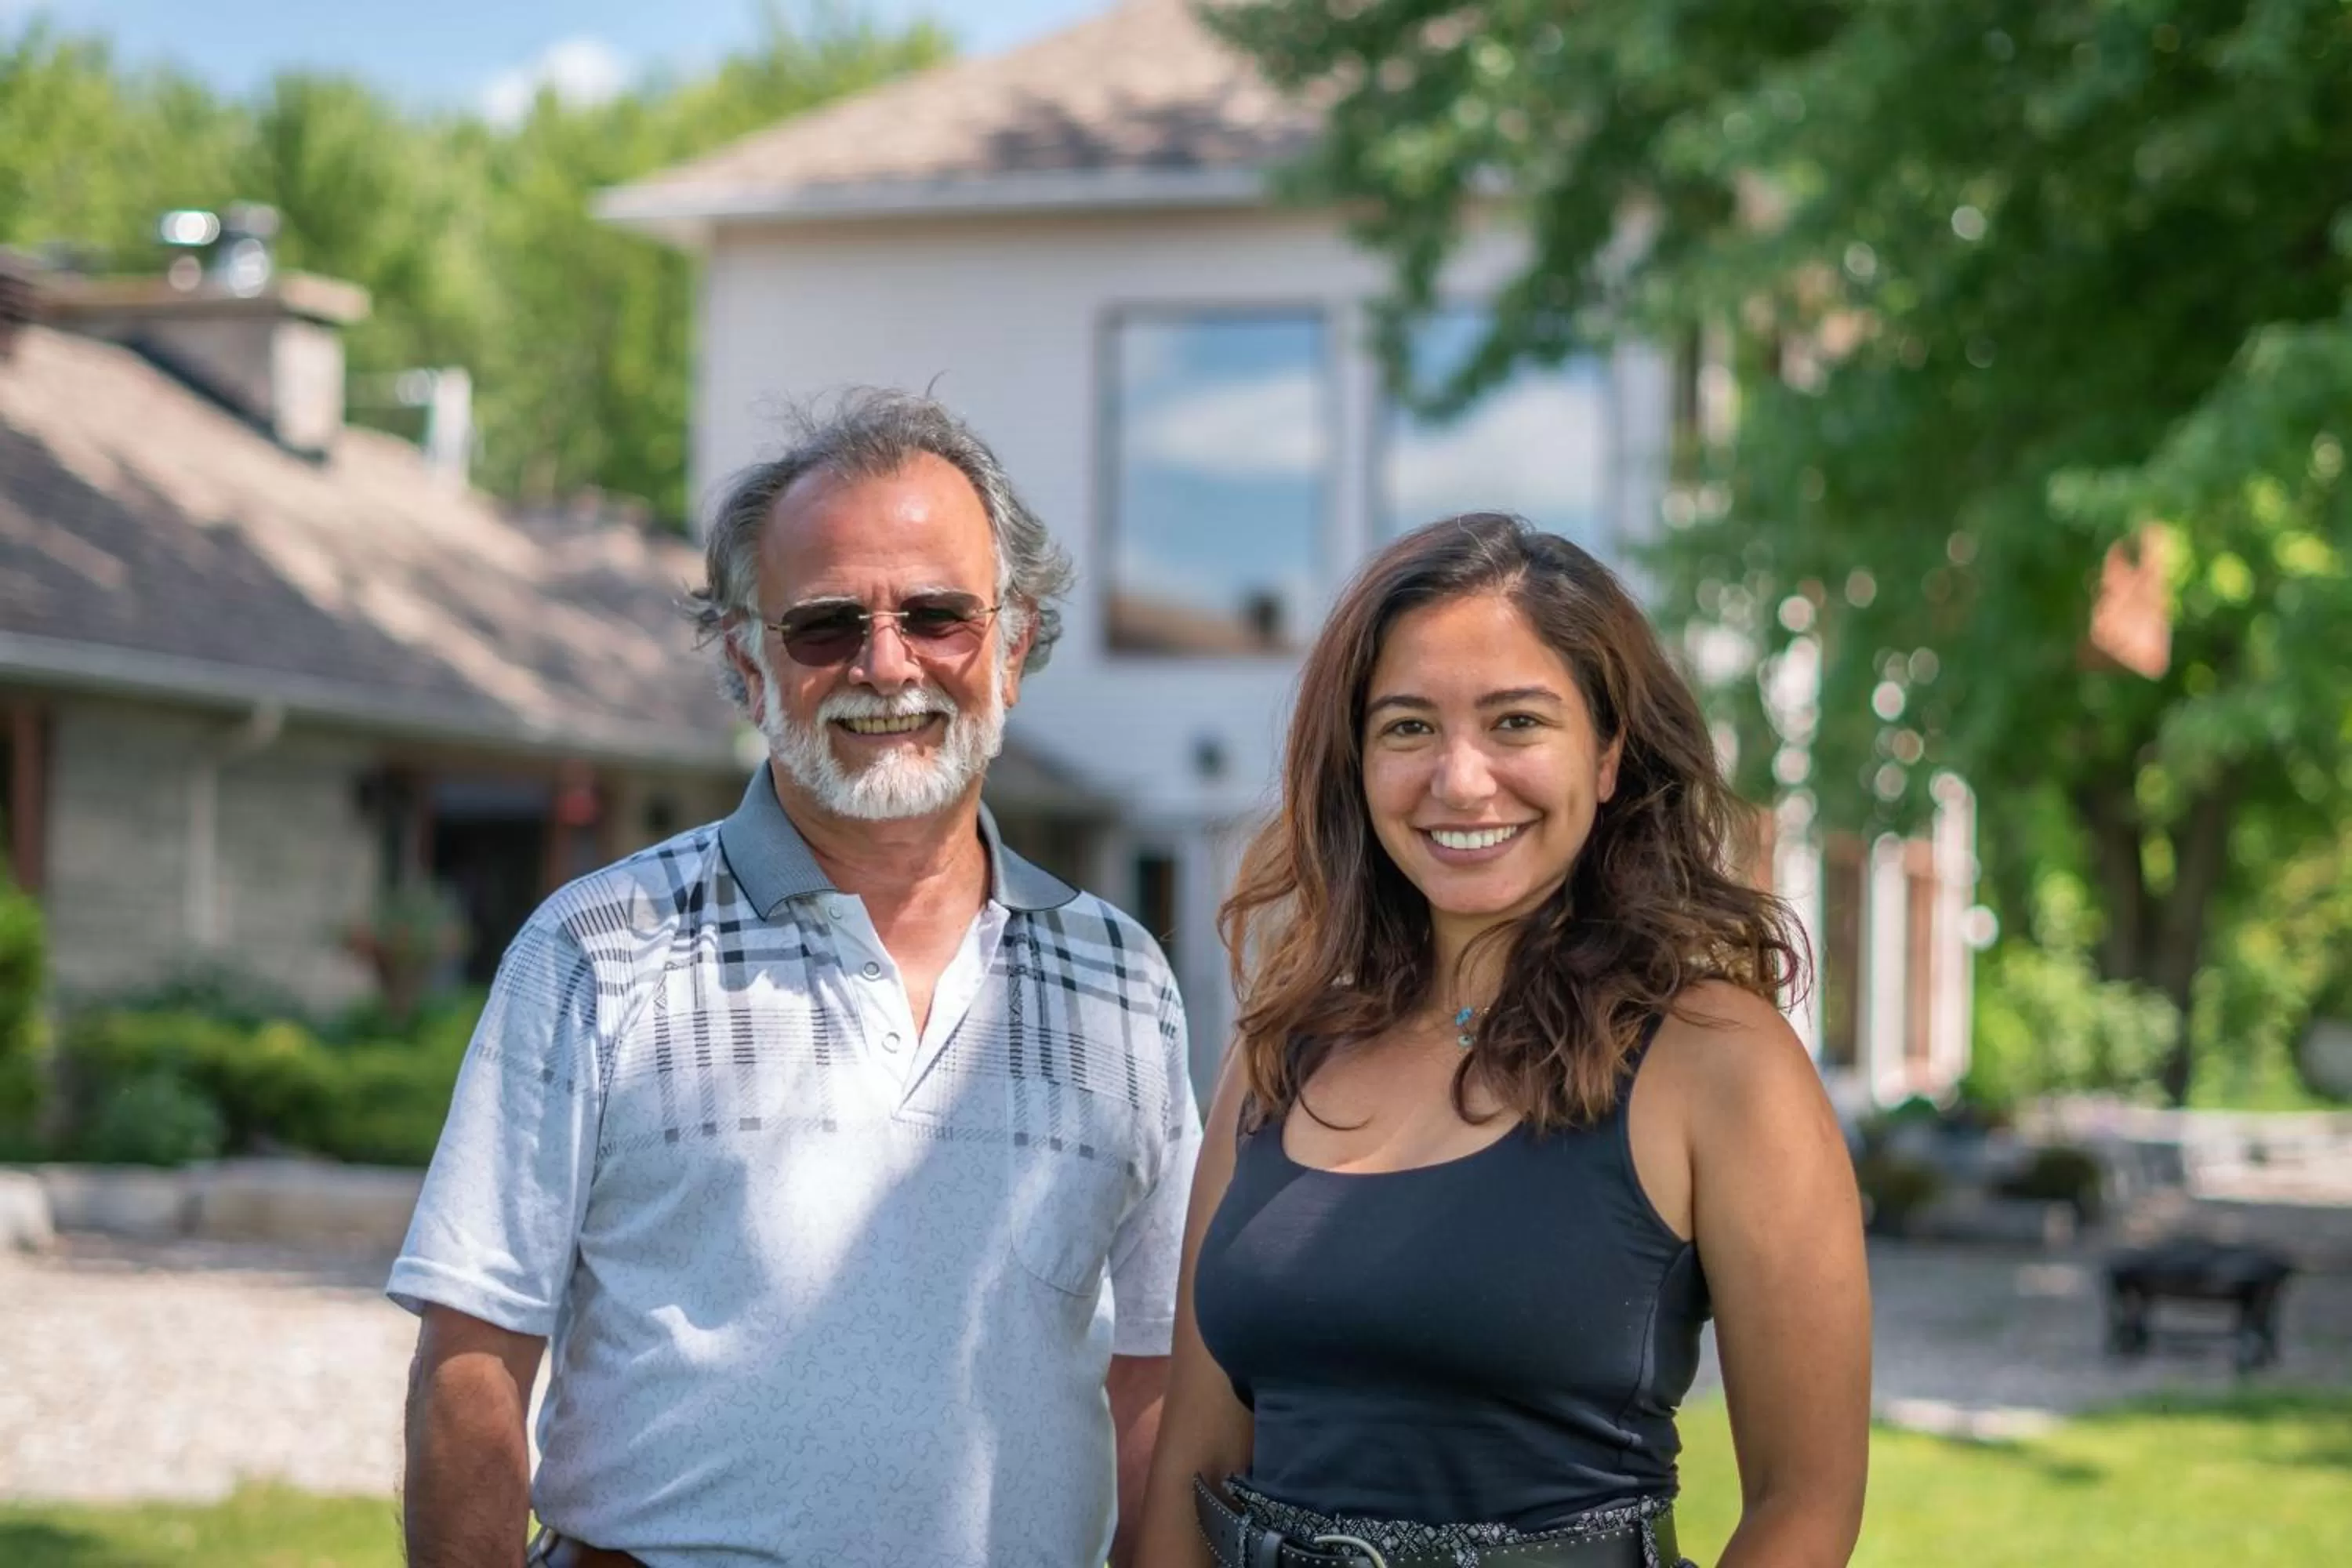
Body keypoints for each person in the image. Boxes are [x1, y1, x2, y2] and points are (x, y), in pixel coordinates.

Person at [393, 391, 1200, 1568]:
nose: (888, 664)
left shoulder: (1119, 981)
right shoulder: (596, 948)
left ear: (1015, 645)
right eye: (825, 625)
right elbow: (472, 1363)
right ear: (746, 661)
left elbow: (1156, 1382)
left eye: (938, 615)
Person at [1137, 514, 1871, 1568]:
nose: (1462, 780)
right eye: (1407, 728)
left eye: (1516, 722)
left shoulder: (1720, 1062)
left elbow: (1805, 1506)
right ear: (1357, 761)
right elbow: (1189, 1474)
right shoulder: (1279, 1056)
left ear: (1610, 753)